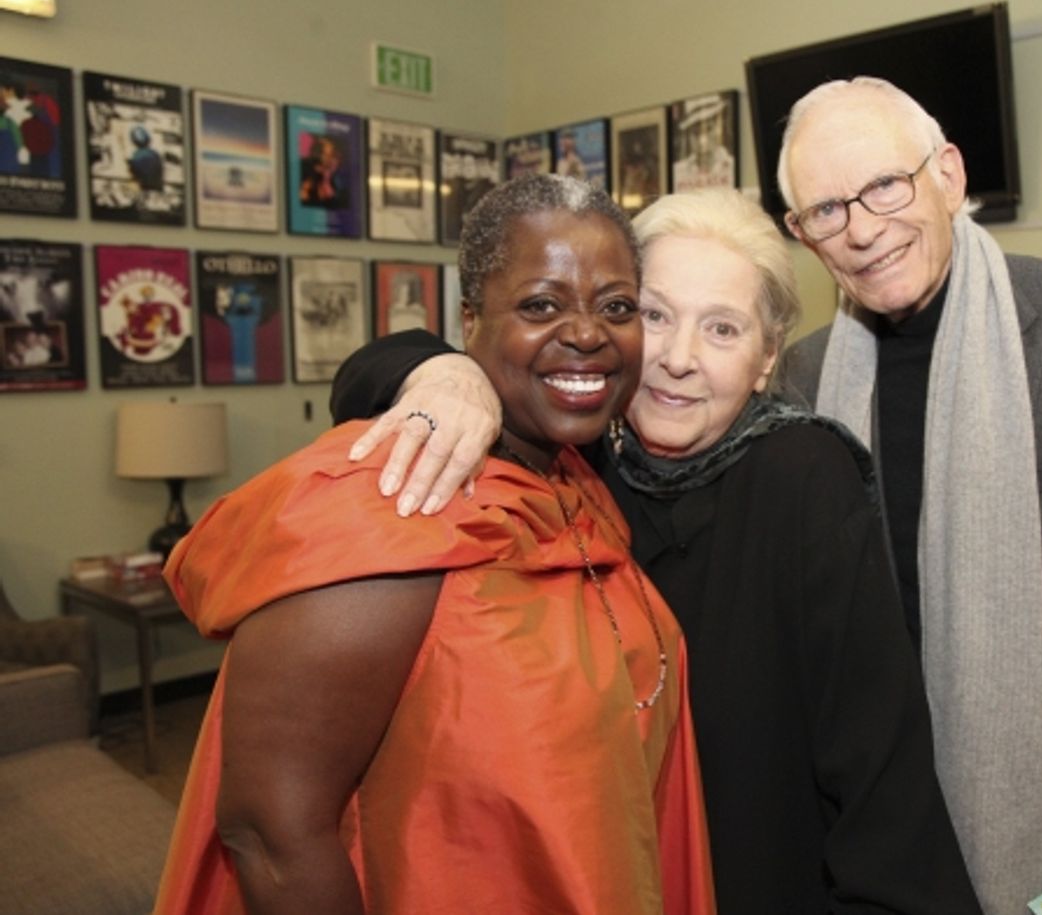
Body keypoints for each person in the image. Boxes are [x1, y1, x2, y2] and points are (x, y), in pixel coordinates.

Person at [341, 77, 1042, 915]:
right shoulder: (812, 380)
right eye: (826, 207)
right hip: (851, 799)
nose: (861, 226)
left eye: (885, 187)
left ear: (947, 173)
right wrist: (440, 371)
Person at [331, 189, 982, 914]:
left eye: (723, 329)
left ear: (768, 358)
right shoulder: (576, 453)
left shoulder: (803, 478)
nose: (678, 359)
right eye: (653, 315)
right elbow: (366, 372)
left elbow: (879, 776)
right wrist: (446, 374)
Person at [153, 174, 715, 915]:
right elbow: (270, 830)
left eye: (616, 307)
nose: (586, 332)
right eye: (541, 304)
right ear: (471, 317)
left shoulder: (577, 480)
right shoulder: (394, 500)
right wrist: (437, 368)